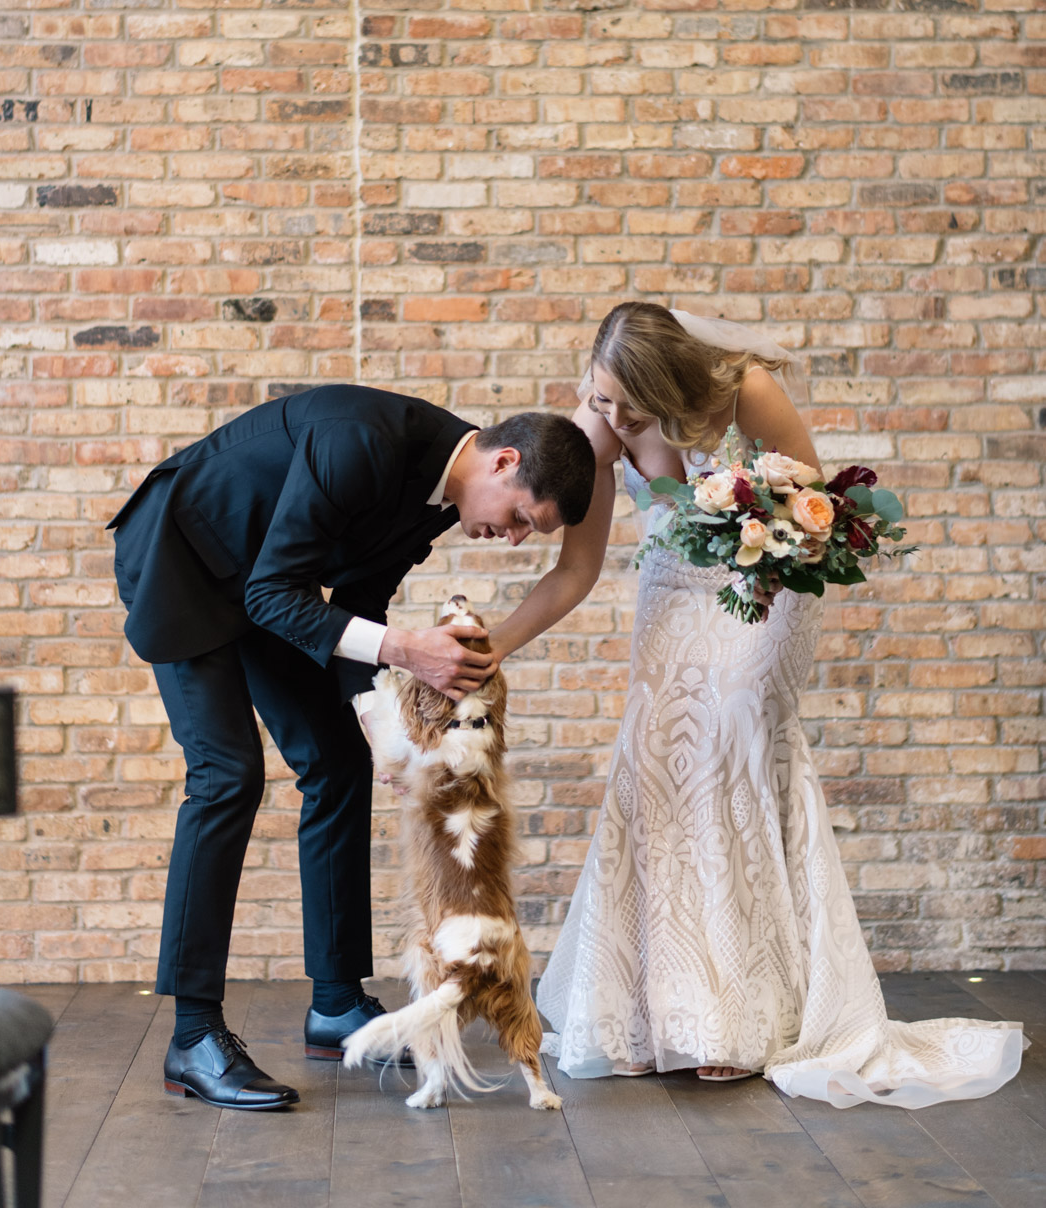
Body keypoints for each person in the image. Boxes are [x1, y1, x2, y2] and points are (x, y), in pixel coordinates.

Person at [533, 302, 1025, 1107]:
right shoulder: (601, 419)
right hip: (671, 593)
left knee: (731, 758)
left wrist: (759, 568)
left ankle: (737, 1018)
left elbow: (818, 521)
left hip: (764, 593)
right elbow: (574, 570)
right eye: (599, 397)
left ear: (673, 387)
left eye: (629, 405)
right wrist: (489, 646)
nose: (612, 417)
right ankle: (644, 1017)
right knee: (654, 766)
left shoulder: (745, 391)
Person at [109, 385, 596, 1111]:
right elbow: (280, 596)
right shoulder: (362, 443)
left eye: (532, 533)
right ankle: (192, 1036)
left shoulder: (439, 497)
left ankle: (335, 1005)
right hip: (183, 560)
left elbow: (356, 612)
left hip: (261, 584)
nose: (517, 537)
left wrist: (384, 740)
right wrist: (408, 651)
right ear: (503, 461)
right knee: (227, 776)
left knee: (337, 764)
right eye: (523, 517)